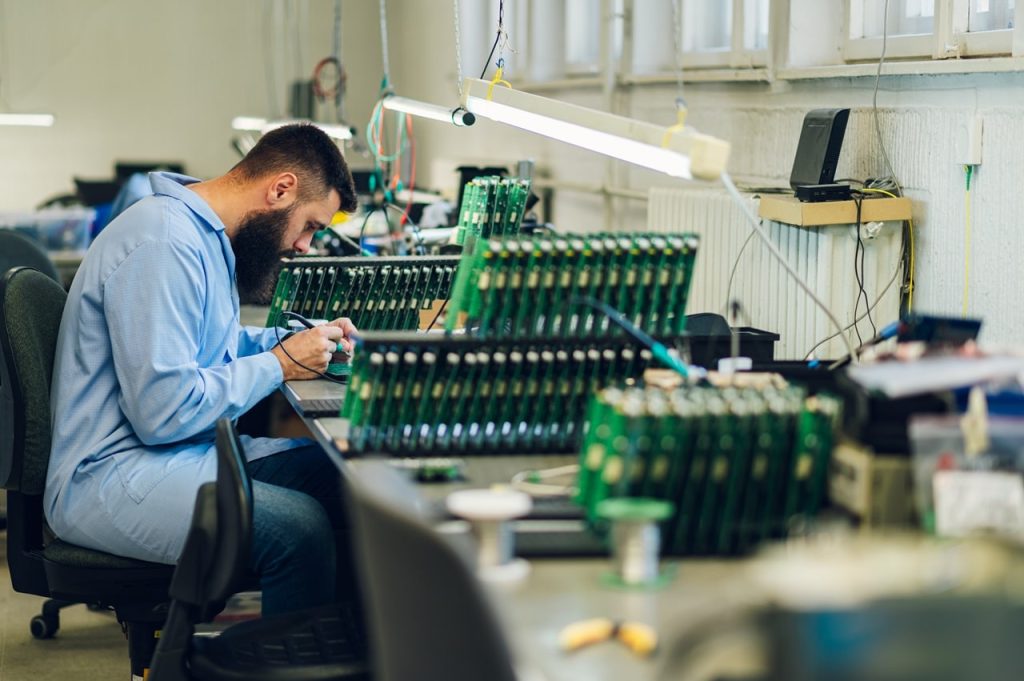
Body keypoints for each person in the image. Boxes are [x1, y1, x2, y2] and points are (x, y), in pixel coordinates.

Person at [45, 124, 360, 615]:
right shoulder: (163, 243)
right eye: (311, 226)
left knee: (351, 475)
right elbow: (163, 413)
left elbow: (210, 344)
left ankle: (343, 653)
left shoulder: (204, 235)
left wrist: (296, 342)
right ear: (280, 189)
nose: (305, 246)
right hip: (112, 476)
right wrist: (279, 365)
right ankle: (284, 659)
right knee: (299, 529)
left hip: (183, 454)